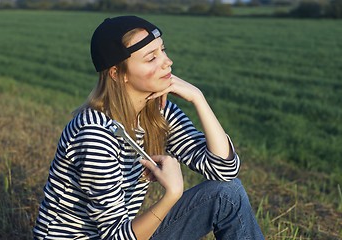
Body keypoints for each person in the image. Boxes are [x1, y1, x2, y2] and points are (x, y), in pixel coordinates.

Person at [33, 15, 264, 240]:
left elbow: (223, 170)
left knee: (227, 194)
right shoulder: (94, 134)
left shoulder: (158, 112)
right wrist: (172, 194)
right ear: (117, 73)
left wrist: (198, 98)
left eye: (162, 50)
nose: (167, 61)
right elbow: (116, 236)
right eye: (151, 57)